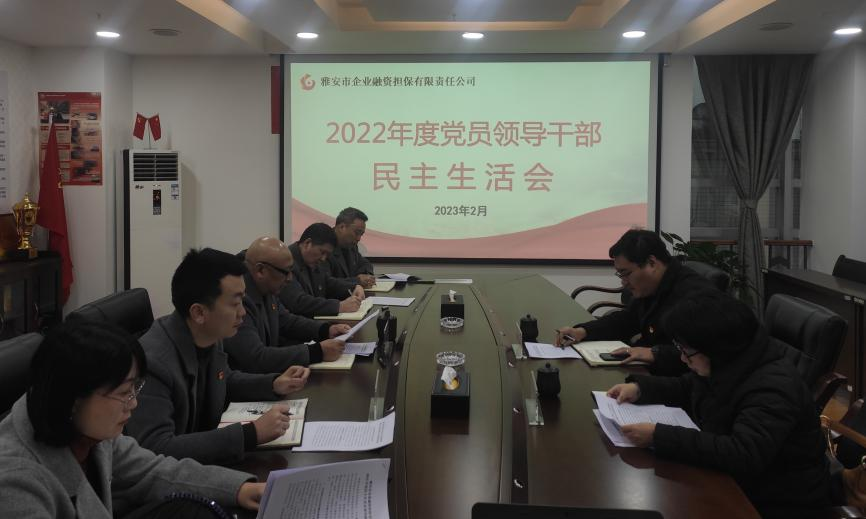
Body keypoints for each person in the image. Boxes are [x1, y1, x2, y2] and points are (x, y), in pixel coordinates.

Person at [0, 320, 265, 518]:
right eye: (124, 393)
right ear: (73, 399)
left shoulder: (88, 431)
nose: (134, 403)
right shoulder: (15, 481)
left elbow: (153, 471)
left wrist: (239, 489)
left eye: (134, 389)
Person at [606, 292, 831, 518]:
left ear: (716, 348)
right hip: (734, 482)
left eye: (687, 352)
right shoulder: (731, 361)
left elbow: (742, 454)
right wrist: (641, 389)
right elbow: (689, 386)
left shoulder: (773, 388)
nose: (683, 359)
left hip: (775, 501)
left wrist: (658, 436)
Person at [125, 248, 311, 465]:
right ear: (199, 312)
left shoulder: (208, 333)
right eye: (235, 303)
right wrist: (250, 434)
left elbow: (224, 380)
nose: (243, 312)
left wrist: (274, 384)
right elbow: (156, 448)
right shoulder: (153, 362)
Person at [556, 229, 718, 375]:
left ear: (651, 263)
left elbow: (704, 355)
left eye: (626, 273)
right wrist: (583, 331)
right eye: (620, 274)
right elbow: (627, 320)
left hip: (675, 382)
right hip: (645, 371)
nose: (623, 282)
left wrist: (654, 353)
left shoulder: (695, 296)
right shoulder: (653, 286)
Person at [223, 237, 348, 373]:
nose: (290, 278)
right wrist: (316, 352)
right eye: (285, 272)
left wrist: (325, 330)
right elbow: (256, 357)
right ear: (261, 270)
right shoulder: (238, 300)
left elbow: (287, 321)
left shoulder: (267, 288)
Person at [280, 223, 366, 318]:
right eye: (322, 252)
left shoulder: (312, 261)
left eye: (327, 255)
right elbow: (298, 302)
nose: (323, 259)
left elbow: (328, 282)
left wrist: (354, 287)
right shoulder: (286, 262)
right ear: (307, 243)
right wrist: (339, 306)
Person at [328, 207, 376, 289]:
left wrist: (365, 275)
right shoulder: (325, 246)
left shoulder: (351, 245)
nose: (359, 238)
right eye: (357, 233)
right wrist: (357, 281)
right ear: (342, 227)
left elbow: (365, 263)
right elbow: (327, 282)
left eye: (361, 234)